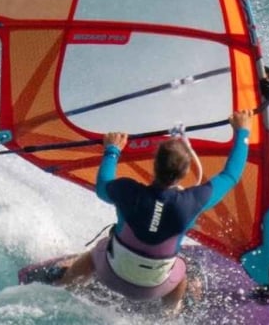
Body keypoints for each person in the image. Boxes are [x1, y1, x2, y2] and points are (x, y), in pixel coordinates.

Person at [56, 110, 254, 314]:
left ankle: (64, 285)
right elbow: (231, 175)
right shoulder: (193, 201)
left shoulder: (127, 190)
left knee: (97, 251)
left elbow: (102, 187)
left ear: (154, 165)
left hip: (111, 274)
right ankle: (170, 312)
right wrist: (243, 132)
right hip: (154, 289)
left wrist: (112, 150)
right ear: (186, 172)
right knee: (181, 272)